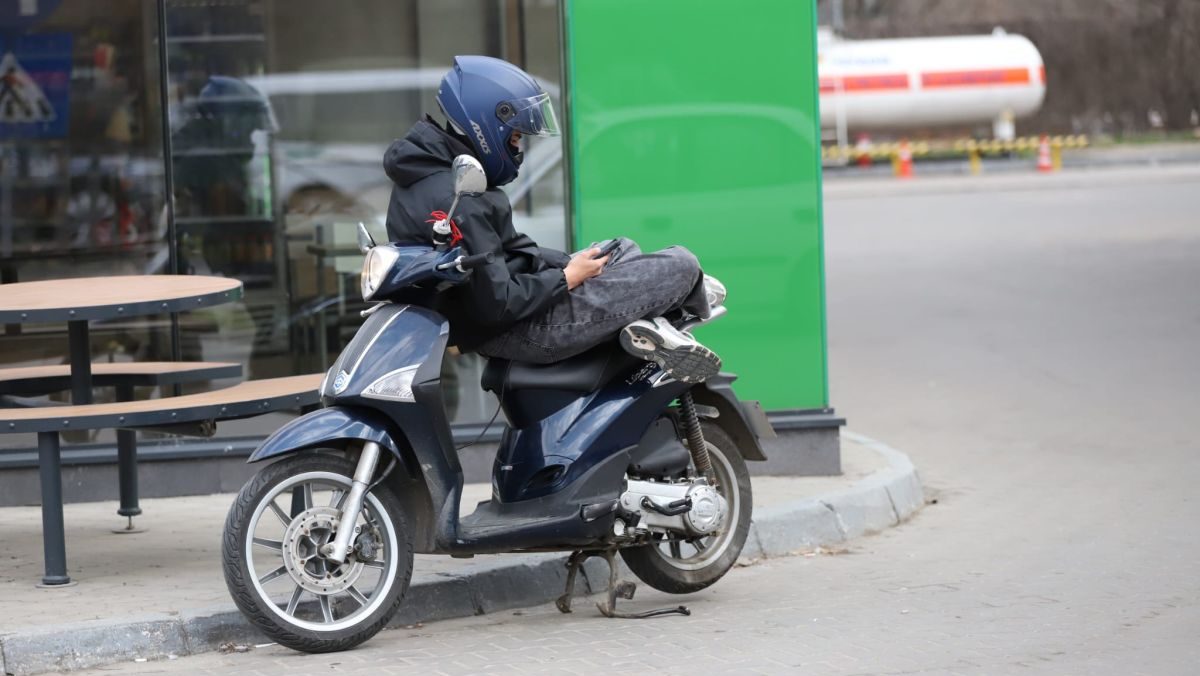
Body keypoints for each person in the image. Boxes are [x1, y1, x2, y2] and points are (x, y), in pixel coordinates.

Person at [384, 55, 724, 382]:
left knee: (616, 249)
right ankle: (670, 313)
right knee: (682, 265)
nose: (518, 149)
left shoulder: (432, 173)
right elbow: (496, 304)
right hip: (524, 329)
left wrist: (566, 265)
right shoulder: (459, 196)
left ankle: (652, 324)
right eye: (515, 138)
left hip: (516, 313)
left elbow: (505, 259)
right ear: (487, 124)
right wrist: (565, 277)